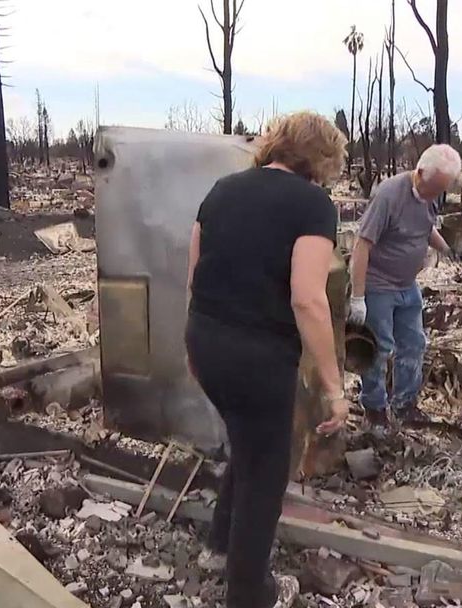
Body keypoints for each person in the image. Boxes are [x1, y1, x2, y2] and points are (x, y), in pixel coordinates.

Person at [185, 111, 352, 608]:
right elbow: (308, 299)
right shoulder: (313, 205)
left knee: (247, 443)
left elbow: (195, 279)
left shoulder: (221, 189)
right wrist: (334, 388)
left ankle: (219, 543)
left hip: (207, 340)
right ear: (323, 159)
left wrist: (194, 348)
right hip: (258, 356)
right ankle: (248, 593)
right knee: (267, 473)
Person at [347, 144, 462, 432]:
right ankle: (374, 409)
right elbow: (362, 246)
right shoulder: (389, 195)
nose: (435, 196)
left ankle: (405, 404)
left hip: (407, 285)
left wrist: (447, 250)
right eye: (433, 188)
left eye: (441, 190)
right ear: (420, 172)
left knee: (414, 344)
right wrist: (358, 297)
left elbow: (426, 227)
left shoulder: (431, 195)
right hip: (379, 285)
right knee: (379, 349)